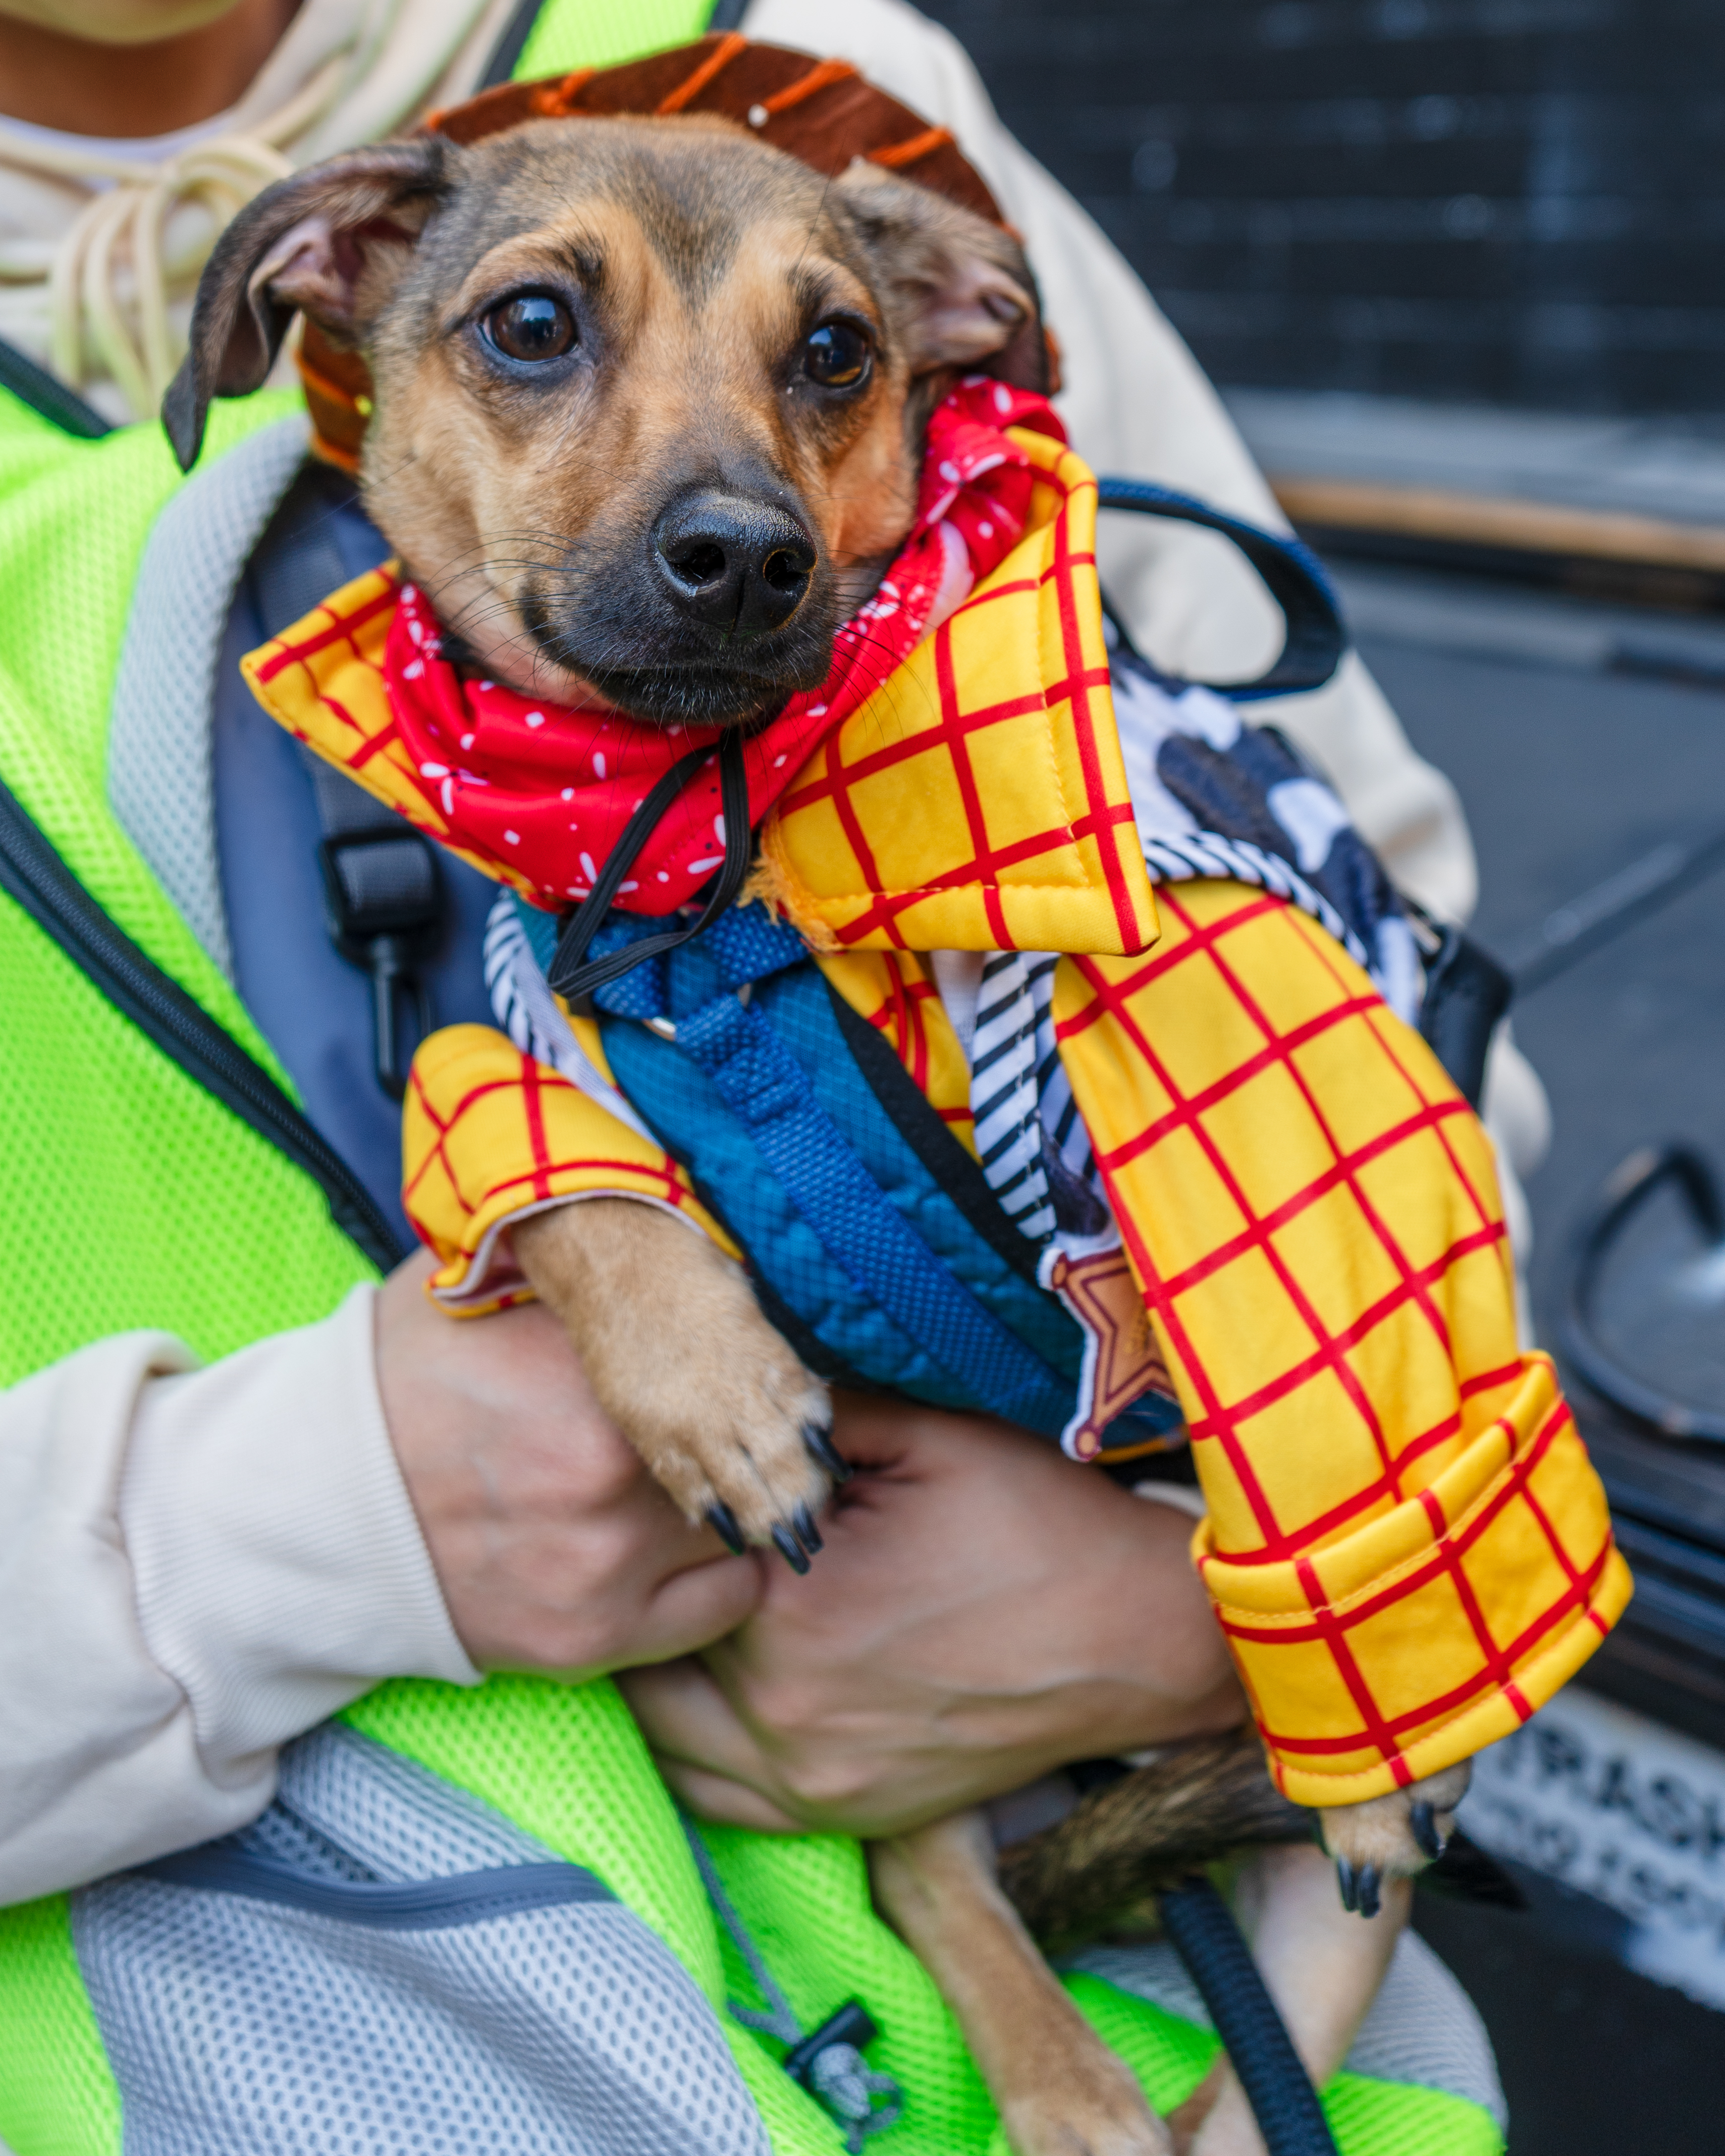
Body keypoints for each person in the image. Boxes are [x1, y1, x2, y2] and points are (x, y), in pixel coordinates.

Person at [0, 0, 1530, 2148]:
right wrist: (310, 1514)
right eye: (539, 332)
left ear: (935, 349)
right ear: (319, 290)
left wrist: (1202, 1594)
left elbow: (1405, 1013)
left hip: (1190, 1960)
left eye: (823, 368)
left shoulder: (814, 70)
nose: (733, 503)